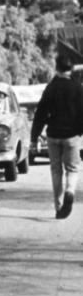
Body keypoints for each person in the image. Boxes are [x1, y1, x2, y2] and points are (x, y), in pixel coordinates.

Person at [31, 54, 83, 219]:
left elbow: (40, 112)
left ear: (56, 68)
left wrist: (34, 136)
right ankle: (69, 191)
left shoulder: (50, 88)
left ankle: (59, 207)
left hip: (53, 135)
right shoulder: (78, 88)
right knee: (72, 169)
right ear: (72, 69)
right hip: (72, 136)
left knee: (55, 170)